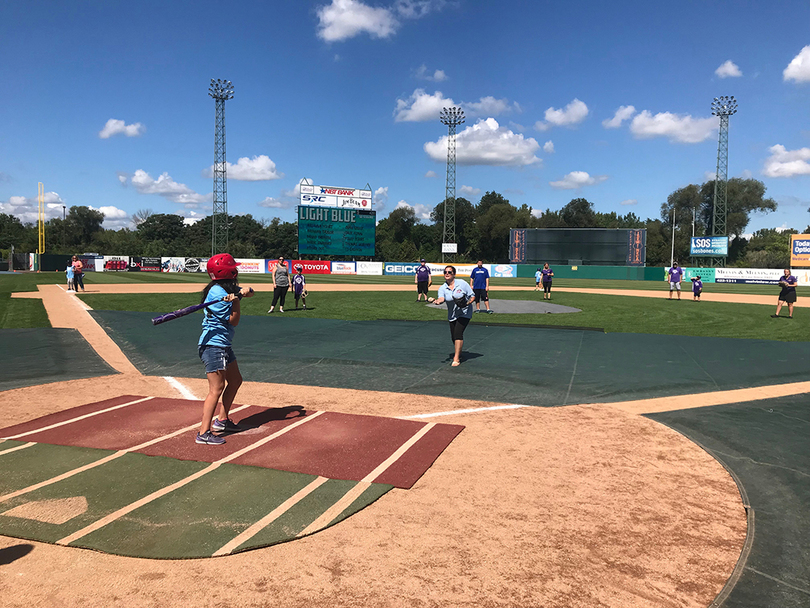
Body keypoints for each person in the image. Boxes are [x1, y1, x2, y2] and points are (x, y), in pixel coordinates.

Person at [196, 253, 254, 445]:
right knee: (216, 388)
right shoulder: (216, 293)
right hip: (213, 346)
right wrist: (236, 301)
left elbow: (250, 291)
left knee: (236, 380)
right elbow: (234, 321)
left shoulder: (225, 287)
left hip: (223, 345)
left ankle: (222, 420)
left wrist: (244, 291)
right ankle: (204, 432)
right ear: (229, 272)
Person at [431, 265, 475, 366]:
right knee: (453, 337)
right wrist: (437, 301)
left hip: (464, 313)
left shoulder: (462, 283)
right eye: (445, 272)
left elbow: (472, 296)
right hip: (452, 314)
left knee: (458, 334)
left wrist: (466, 304)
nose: (447, 273)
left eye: (449, 272)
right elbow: (442, 298)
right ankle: (458, 352)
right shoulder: (443, 288)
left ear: (454, 274)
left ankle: (456, 358)